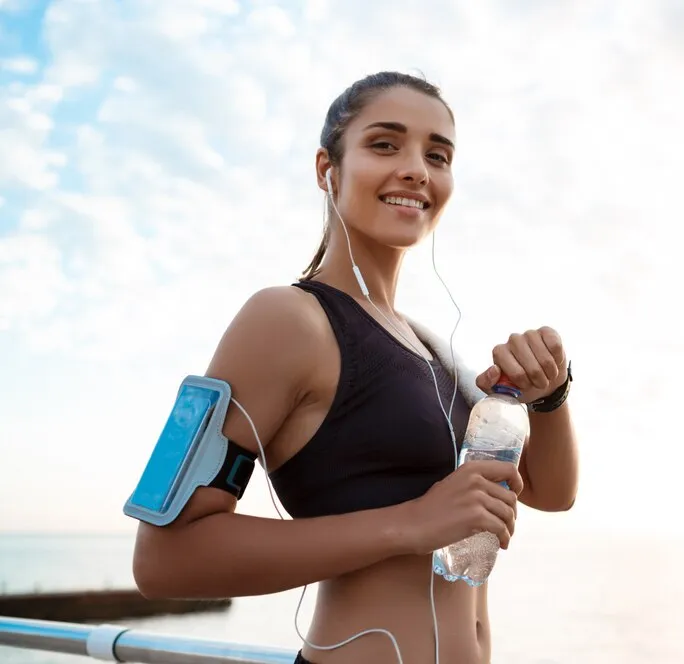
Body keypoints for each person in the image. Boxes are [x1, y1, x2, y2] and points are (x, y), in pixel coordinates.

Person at [131, 71, 579, 664]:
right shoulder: (287, 319)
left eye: (437, 155)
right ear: (328, 169)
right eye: (385, 144)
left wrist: (550, 397)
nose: (417, 169)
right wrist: (411, 523)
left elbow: (550, 493)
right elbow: (164, 559)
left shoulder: (428, 345)